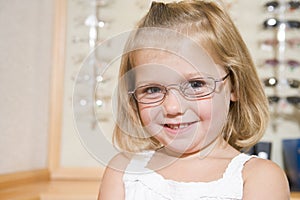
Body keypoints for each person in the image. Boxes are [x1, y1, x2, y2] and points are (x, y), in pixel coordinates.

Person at [98, 1, 290, 199]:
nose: (173, 107)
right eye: (152, 89)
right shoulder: (123, 173)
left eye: (196, 84)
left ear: (235, 85)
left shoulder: (259, 178)